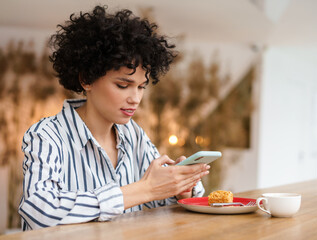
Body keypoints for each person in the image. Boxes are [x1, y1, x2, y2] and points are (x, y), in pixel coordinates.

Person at [18, 5, 209, 231]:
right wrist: (144, 189)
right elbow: (40, 211)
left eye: (141, 87)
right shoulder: (47, 135)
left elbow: (157, 200)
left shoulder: (134, 134)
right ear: (86, 79)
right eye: (122, 85)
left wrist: (179, 188)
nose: (135, 99)